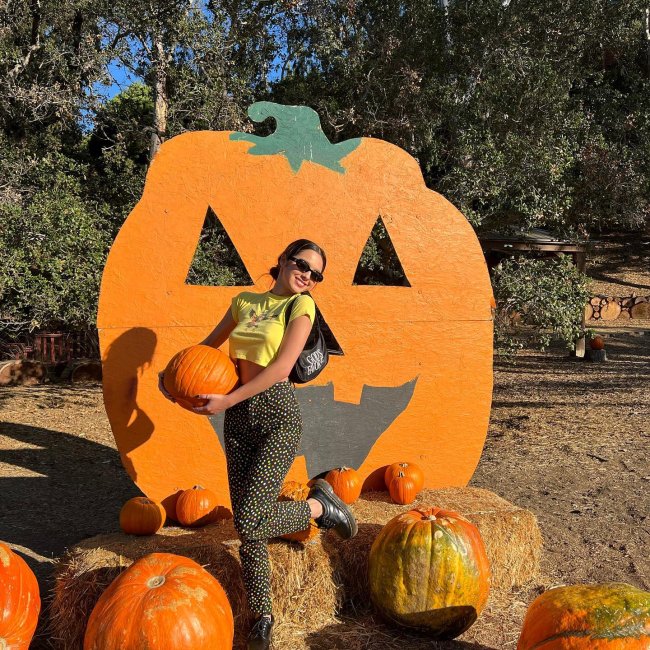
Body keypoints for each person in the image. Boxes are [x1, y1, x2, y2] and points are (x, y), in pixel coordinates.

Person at [159, 239, 357, 650]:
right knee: (250, 528)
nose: (307, 275)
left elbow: (283, 366)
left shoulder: (301, 307)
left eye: (315, 274)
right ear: (283, 259)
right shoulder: (244, 302)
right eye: (301, 264)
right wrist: (173, 381)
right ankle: (262, 614)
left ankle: (321, 507)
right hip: (239, 422)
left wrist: (229, 398)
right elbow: (206, 350)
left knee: (248, 520)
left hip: (277, 415)